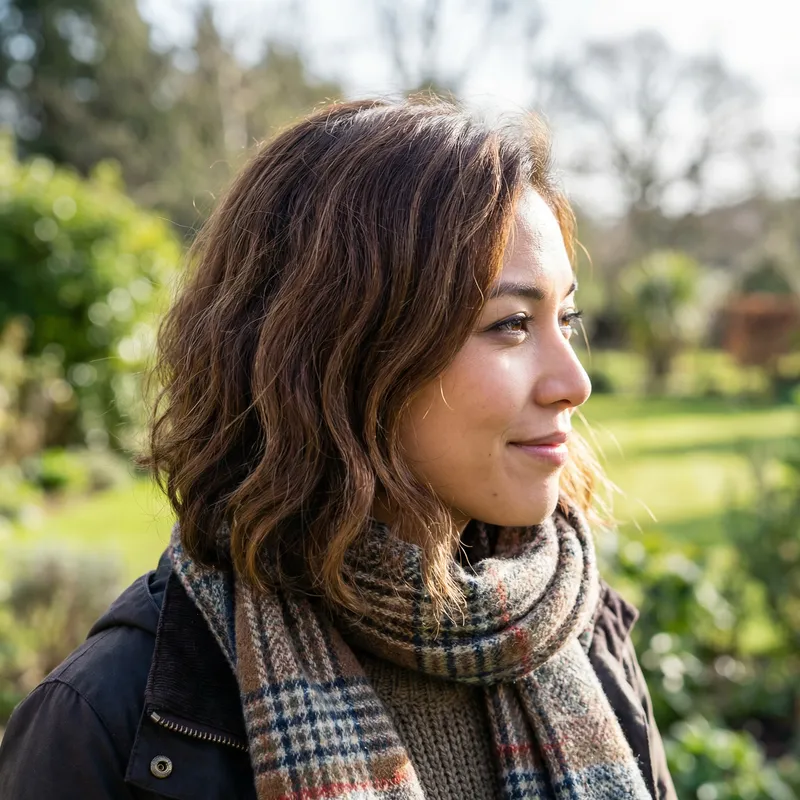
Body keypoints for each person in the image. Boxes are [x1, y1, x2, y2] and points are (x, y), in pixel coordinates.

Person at [0, 98, 677, 800]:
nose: (575, 382)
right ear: (339, 357)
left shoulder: (581, 630)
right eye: (510, 324)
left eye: (564, 317)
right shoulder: (108, 722)